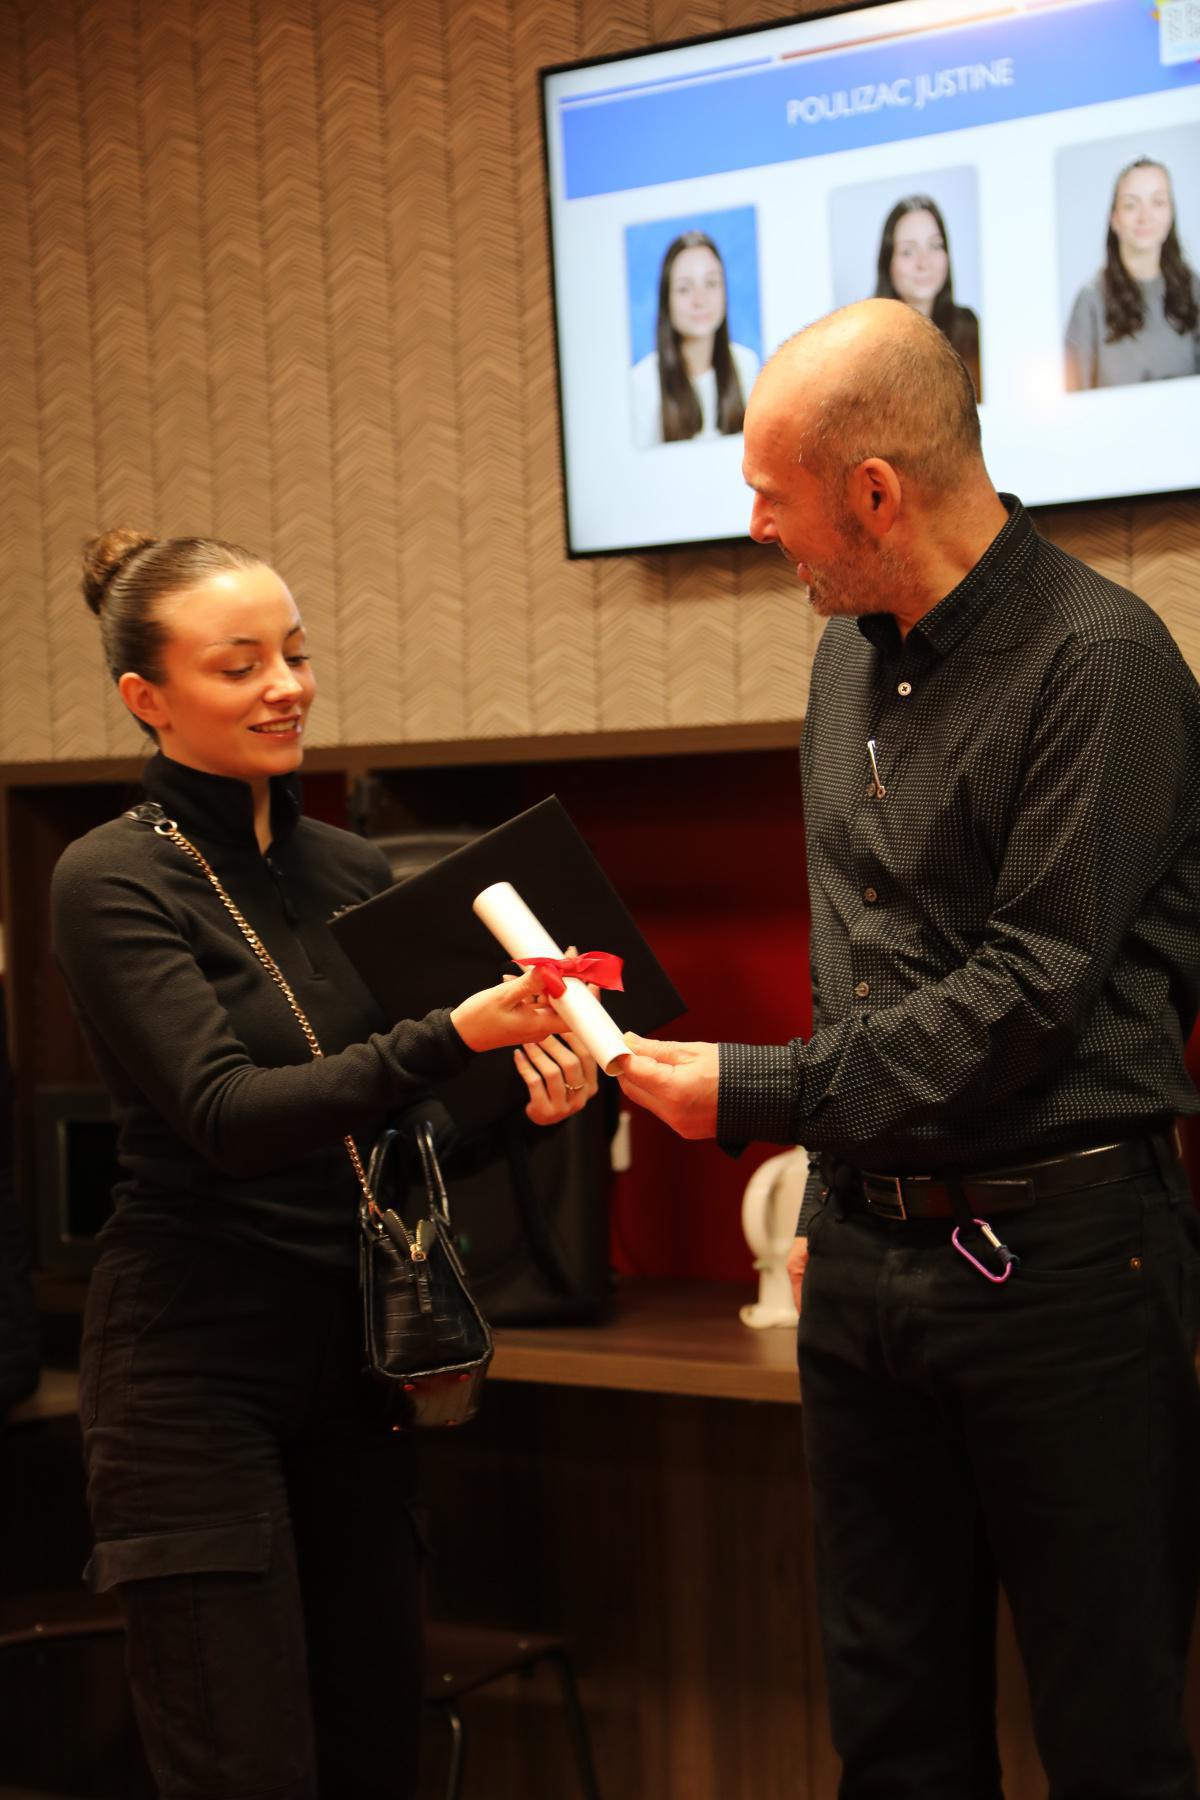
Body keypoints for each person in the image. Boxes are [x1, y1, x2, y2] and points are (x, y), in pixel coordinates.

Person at [618, 299, 1200, 1799]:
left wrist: (753, 1097)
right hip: (869, 1269)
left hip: (1061, 1265)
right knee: (890, 1728)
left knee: (1109, 1729)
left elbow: (1028, 991)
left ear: (874, 492)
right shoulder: (841, 661)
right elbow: (861, 972)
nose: (753, 525)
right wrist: (833, 1199)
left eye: (772, 493)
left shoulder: (1102, 659)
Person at [51, 529, 599, 1800]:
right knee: (242, 1765)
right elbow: (228, 1113)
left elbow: (402, 1145)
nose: (286, 686)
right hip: (190, 1368)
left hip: (357, 1361)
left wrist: (527, 1101)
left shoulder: (353, 868)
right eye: (240, 666)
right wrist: (449, 1033)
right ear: (148, 698)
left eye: (294, 654)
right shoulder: (111, 875)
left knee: (371, 1754)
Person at [1065, 156, 1200, 390]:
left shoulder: (1194, 290)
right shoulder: (1090, 300)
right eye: (1130, 205)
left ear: (1171, 213)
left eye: (1158, 202)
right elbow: (1074, 400)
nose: (1144, 217)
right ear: (1114, 219)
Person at [630, 229, 759, 448]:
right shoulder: (642, 381)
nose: (700, 300)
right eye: (684, 289)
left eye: (711, 284)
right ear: (666, 299)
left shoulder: (746, 364)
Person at [874, 193, 982, 400]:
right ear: (888, 262)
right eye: (908, 251)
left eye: (935, 246)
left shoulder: (970, 328)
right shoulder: (867, 345)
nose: (923, 263)